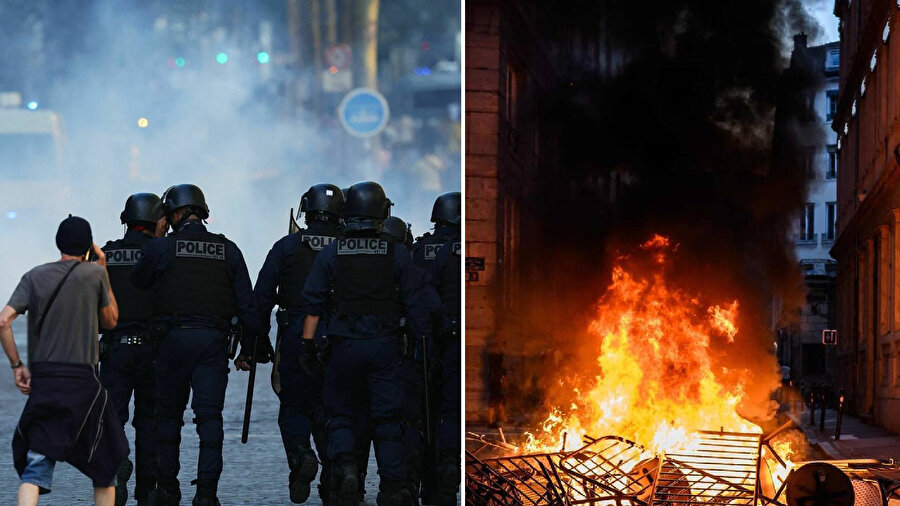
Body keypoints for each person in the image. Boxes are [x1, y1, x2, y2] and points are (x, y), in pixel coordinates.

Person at [300, 181, 443, 506]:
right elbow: (416, 306)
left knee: (342, 414)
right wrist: (423, 348)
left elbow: (313, 303)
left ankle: (348, 467)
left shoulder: (331, 253)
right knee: (388, 419)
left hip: (343, 348)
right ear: (381, 213)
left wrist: (308, 346)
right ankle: (392, 488)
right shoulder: (397, 254)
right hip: (384, 348)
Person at [132, 184, 258, 506]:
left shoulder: (162, 248)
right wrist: (249, 348)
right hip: (212, 344)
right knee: (210, 419)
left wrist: (158, 241)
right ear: (202, 211)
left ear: (173, 214)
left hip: (171, 342)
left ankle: (167, 490)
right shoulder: (227, 250)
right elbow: (247, 305)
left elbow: (139, 281)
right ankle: (206, 495)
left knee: (168, 418)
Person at [0, 215, 129, 506]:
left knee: (35, 464)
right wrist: (103, 268)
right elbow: (111, 321)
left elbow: (3, 321)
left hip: (45, 381)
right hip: (83, 382)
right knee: (106, 463)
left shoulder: (34, 276)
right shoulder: (94, 275)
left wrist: (18, 366)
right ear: (88, 247)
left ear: (58, 242)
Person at [253, 183, 344, 503]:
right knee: (332, 409)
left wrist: (256, 338)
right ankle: (335, 477)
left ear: (306, 210)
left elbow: (262, 294)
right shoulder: (349, 246)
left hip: (295, 331)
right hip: (339, 335)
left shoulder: (287, 246)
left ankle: (301, 455)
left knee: (293, 403)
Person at [100, 193, 166, 505]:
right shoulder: (163, 253)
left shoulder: (106, 254)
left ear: (127, 220)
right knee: (150, 421)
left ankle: (116, 467)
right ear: (157, 221)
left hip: (114, 350)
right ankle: (147, 490)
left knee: (112, 417)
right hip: (154, 350)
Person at [411, 191, 460, 501]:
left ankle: (423, 479)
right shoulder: (463, 248)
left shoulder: (419, 250)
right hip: (455, 338)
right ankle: (449, 464)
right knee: (451, 409)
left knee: (421, 413)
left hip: (425, 341)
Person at [430, 237, 462, 506]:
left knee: (449, 411)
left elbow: (429, 293)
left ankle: (448, 462)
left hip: (450, 337)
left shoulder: (444, 251)